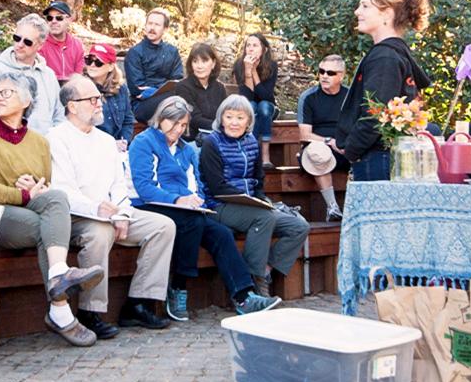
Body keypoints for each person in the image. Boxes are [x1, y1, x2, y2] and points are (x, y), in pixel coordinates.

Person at [0, 71, 104, 346]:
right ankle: (60, 308)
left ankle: (58, 278)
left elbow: (44, 184)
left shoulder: (39, 141)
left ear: (27, 100)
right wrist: (23, 192)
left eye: (6, 92)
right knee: (45, 229)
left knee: (57, 197)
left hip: (21, 209)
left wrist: (34, 186)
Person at [127, 96, 282, 321]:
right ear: (160, 120)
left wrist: (197, 200)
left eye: (182, 125)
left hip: (186, 209)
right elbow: (144, 188)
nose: (178, 130)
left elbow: (197, 185)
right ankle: (178, 286)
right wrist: (177, 200)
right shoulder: (144, 142)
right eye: (172, 123)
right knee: (193, 221)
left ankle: (244, 297)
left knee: (221, 233)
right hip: (150, 206)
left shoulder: (186, 149)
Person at [48, 76, 175, 338]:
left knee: (163, 226)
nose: (100, 104)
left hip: (112, 211)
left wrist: (123, 214)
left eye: (100, 98)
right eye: (93, 99)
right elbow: (62, 191)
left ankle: (138, 302)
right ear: (72, 106)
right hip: (76, 216)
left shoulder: (106, 140)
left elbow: (119, 186)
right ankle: (89, 311)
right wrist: (99, 210)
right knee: (99, 232)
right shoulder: (56, 138)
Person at [199, 95, 309, 297]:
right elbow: (216, 187)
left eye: (240, 118)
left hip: (251, 205)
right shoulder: (211, 143)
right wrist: (249, 201)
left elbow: (258, 178)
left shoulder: (251, 141)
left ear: (248, 121)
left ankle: (266, 270)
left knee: (298, 226)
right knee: (264, 217)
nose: (234, 122)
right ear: (221, 118)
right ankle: (255, 279)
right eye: (229, 116)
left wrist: (260, 199)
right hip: (219, 205)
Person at [337, 0, 433, 182]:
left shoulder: (385, 57)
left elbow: (374, 114)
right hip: (385, 156)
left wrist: (350, 151)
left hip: (377, 159)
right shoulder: (393, 54)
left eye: (365, 6)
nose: (357, 12)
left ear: (387, 14)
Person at [0, 13, 64, 134]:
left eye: (27, 42)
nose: (20, 44)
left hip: (45, 145)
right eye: (17, 38)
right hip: (8, 144)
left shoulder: (49, 75)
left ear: (40, 45)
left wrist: (53, 142)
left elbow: (59, 114)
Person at [297, 54, 351, 219]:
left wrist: (345, 145)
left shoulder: (350, 96)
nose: (324, 76)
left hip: (345, 147)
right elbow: (305, 134)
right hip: (318, 146)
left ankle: (354, 207)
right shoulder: (308, 97)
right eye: (321, 71)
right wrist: (329, 142)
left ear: (341, 76)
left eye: (330, 73)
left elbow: (358, 127)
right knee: (318, 152)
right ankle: (332, 208)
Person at [124, 8, 183, 123]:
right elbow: (138, 89)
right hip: (142, 105)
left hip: (169, 98)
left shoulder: (172, 51)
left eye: (157, 25)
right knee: (174, 101)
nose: (152, 28)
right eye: (149, 23)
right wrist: (161, 91)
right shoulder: (135, 52)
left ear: (165, 29)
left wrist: (159, 90)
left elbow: (177, 81)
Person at [232, 33, 279, 169]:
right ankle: (251, 152)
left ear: (263, 49)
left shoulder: (271, 65)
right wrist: (247, 70)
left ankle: (265, 156)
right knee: (251, 107)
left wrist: (254, 72)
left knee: (263, 107)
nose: (251, 49)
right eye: (248, 45)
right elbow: (247, 98)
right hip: (250, 107)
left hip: (268, 108)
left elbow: (266, 96)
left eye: (255, 45)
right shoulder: (239, 65)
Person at [173, 42, 226, 145]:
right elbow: (194, 119)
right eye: (195, 61)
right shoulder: (183, 87)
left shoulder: (219, 88)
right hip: (191, 140)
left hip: (217, 136)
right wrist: (222, 127)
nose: (199, 66)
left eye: (204, 61)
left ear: (213, 63)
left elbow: (225, 114)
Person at [84, 43, 134, 150]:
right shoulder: (80, 89)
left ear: (111, 66)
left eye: (98, 62)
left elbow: (128, 120)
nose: (92, 65)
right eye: (89, 60)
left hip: (119, 148)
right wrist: (110, 145)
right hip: (91, 149)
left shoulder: (121, 88)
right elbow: (81, 128)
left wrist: (124, 141)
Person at [39, 1, 86, 82]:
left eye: (59, 18)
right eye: (49, 18)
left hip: (72, 90)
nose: (53, 21)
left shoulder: (77, 45)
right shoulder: (39, 44)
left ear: (69, 20)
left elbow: (79, 75)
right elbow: (41, 76)